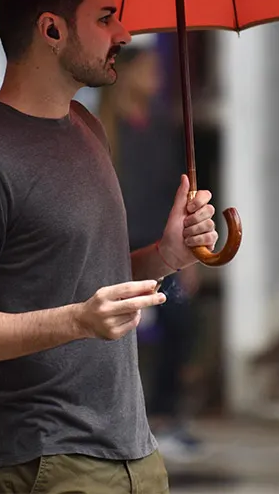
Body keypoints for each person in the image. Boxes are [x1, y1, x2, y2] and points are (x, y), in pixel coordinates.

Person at [0, 0, 221, 494]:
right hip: (43, 464)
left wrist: (165, 255)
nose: (125, 34)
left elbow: (83, 283)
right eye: (106, 18)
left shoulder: (86, 128)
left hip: (131, 453)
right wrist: (76, 321)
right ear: (52, 31)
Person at [96, 38, 206, 464]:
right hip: (120, 248)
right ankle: (119, 418)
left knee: (181, 320)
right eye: (147, 70)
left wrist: (187, 251)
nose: (156, 79)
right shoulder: (104, 128)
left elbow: (170, 188)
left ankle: (164, 413)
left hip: (163, 248)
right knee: (118, 332)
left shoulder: (161, 125)